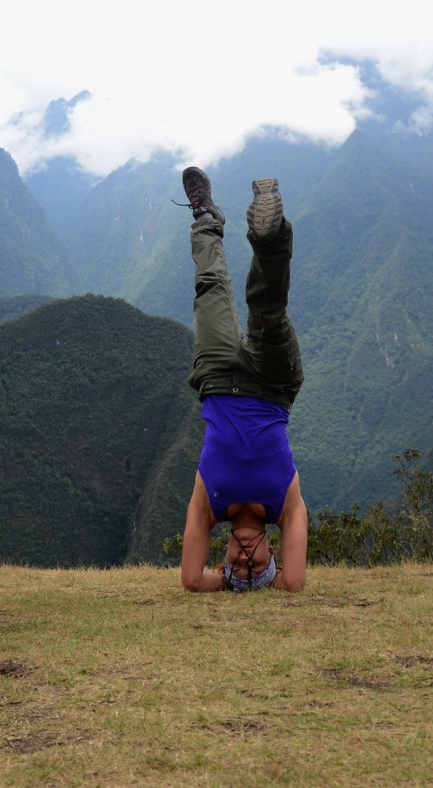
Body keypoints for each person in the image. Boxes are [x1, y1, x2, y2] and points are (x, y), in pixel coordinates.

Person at [177, 166, 308, 593]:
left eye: (239, 567)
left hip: (217, 381)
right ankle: (269, 238)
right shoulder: (285, 508)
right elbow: (295, 585)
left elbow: (192, 582)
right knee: (267, 312)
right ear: (274, 554)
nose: (248, 560)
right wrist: (270, 584)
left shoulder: (209, 506)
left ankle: (207, 219)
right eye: (260, 567)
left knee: (209, 289)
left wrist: (228, 586)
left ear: (225, 555)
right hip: (274, 387)